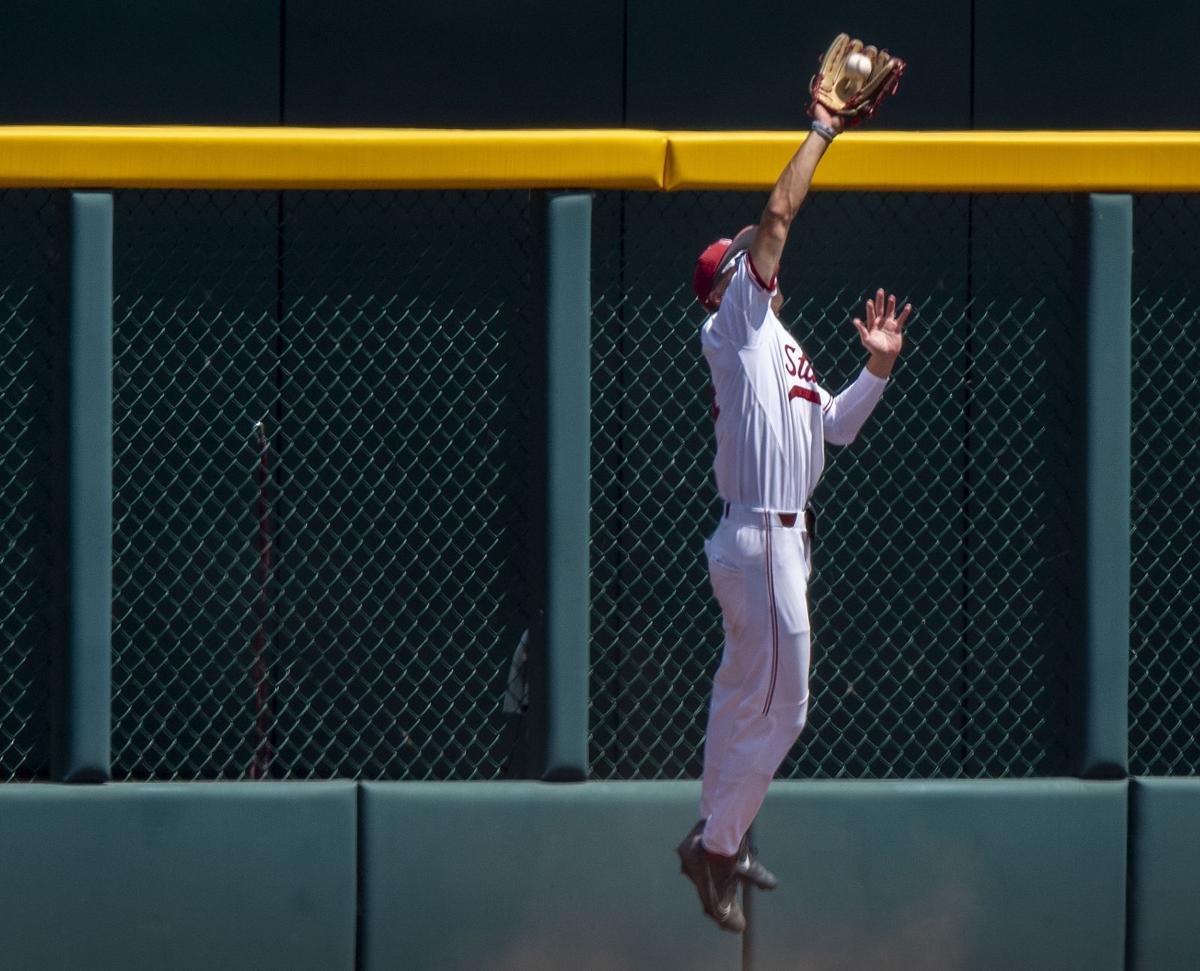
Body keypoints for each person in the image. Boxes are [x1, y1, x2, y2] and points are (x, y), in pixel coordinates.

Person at [676, 101, 912, 933]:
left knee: (744, 697)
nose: (760, 252)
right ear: (729, 281)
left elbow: (834, 427)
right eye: (743, 259)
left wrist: (876, 371)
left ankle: (714, 829)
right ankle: (716, 845)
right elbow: (778, 212)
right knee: (788, 710)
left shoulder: (779, 343)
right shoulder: (735, 321)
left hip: (774, 537)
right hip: (760, 534)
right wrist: (823, 130)